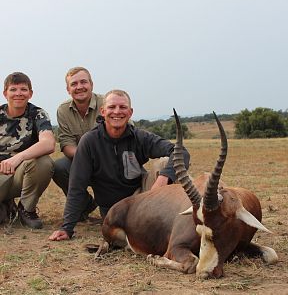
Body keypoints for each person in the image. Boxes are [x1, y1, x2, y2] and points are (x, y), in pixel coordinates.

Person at [49, 89, 190, 241]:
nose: (117, 112)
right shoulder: (89, 141)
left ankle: (181, 222)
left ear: (130, 112)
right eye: (112, 107)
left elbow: (181, 152)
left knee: (164, 164)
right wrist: (67, 228)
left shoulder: (140, 137)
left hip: (142, 198)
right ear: (103, 111)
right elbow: (77, 186)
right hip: (114, 209)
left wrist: (163, 178)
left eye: (122, 107)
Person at [0, 72, 55, 229]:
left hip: (19, 174)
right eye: (13, 89)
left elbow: (48, 143)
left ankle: (26, 209)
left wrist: (17, 158)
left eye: (23, 89)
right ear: (5, 93)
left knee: (44, 162)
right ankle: (6, 207)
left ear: (30, 93)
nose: (18, 93)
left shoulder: (38, 114)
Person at [52, 67, 103, 220]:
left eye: (83, 82)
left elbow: (128, 130)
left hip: (109, 161)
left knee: (114, 217)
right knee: (59, 167)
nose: (79, 87)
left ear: (91, 84)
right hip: (81, 160)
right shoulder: (63, 110)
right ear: (68, 89)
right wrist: (86, 157)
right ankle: (84, 205)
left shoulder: (107, 102)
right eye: (74, 84)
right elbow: (66, 143)